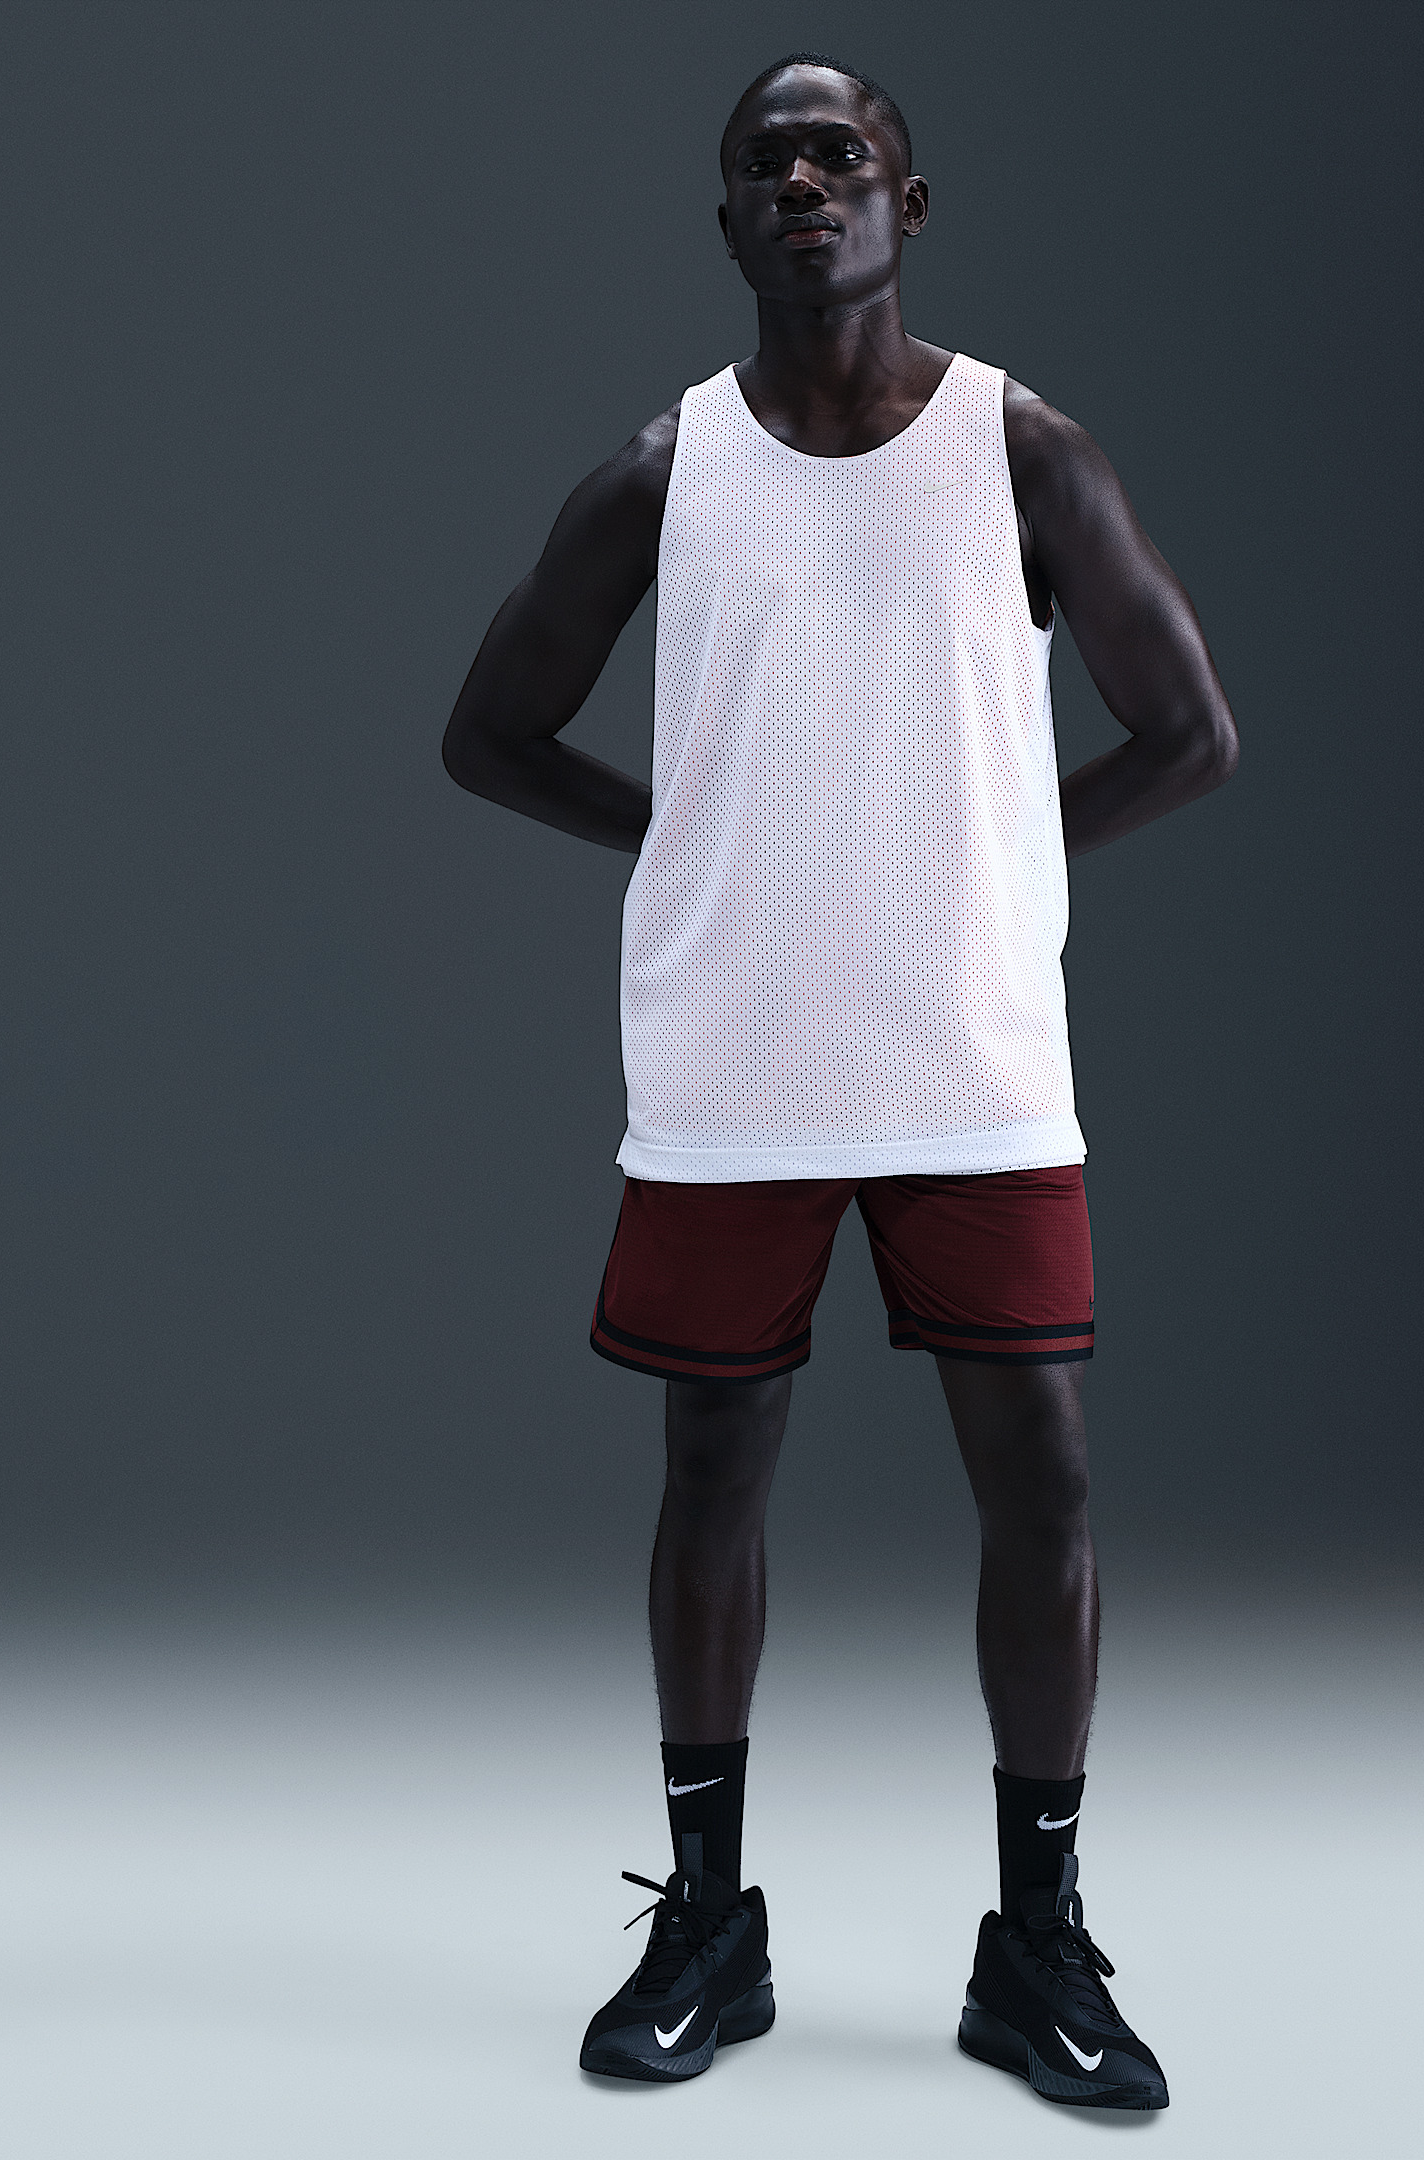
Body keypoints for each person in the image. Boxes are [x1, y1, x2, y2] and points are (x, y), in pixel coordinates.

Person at [443, 52, 1236, 2112]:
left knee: (1041, 1476)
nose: (805, 185)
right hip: (736, 1065)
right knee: (713, 1469)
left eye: (841, 156)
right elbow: (487, 731)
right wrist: (687, 837)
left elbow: (1191, 731)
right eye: (766, 164)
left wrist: (1003, 857)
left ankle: (1036, 1943)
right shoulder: (662, 472)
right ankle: (711, 1922)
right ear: (725, 218)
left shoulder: (1023, 453)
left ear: (908, 202)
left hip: (972, 1056)